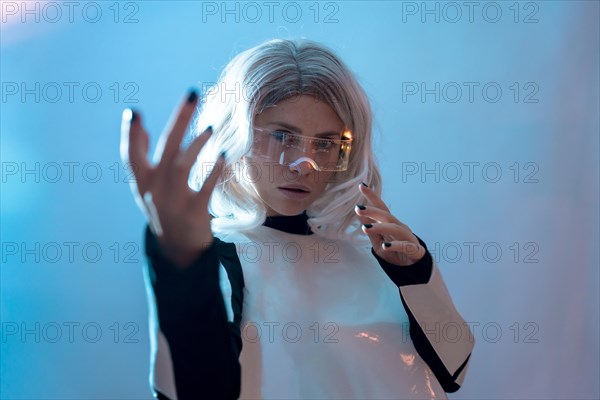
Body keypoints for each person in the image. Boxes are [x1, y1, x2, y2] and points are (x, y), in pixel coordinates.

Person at [120, 38, 475, 400]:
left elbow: (453, 369)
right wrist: (182, 264)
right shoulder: (227, 259)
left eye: (324, 143)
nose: (303, 164)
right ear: (237, 134)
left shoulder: (377, 257)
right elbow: (193, 389)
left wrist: (416, 274)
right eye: (281, 136)